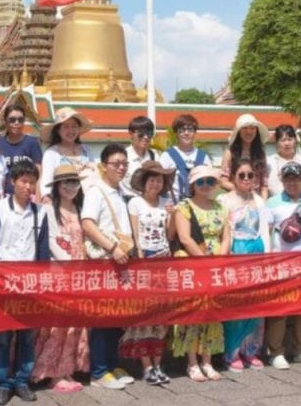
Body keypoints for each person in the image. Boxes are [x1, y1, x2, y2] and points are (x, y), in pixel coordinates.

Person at [0, 161, 50, 405]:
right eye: (23, 181)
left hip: (29, 282)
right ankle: (2, 383)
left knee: (26, 336)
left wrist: (43, 281)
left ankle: (23, 379)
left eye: (32, 182)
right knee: (2, 337)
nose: (28, 186)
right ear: (13, 182)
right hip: (3, 281)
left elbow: (42, 250)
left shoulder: (40, 212)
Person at [80, 143, 136, 390]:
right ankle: (99, 371)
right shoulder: (96, 191)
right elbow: (88, 224)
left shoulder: (121, 191)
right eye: (116, 164)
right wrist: (112, 248)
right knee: (103, 318)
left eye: (124, 163)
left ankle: (113, 364)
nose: (121, 168)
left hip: (122, 261)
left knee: (117, 317)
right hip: (105, 262)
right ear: (104, 166)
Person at [31, 164, 90, 393]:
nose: (70, 187)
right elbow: (52, 241)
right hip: (60, 273)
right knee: (57, 324)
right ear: (56, 186)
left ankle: (68, 369)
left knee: (75, 325)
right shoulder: (48, 209)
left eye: (74, 182)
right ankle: (51, 373)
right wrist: (70, 265)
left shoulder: (80, 207)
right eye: (65, 182)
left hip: (82, 273)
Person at [120, 160, 176, 385]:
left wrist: (172, 215)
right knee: (144, 316)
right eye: (152, 179)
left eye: (159, 179)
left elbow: (170, 236)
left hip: (164, 259)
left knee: (162, 317)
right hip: (144, 261)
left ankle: (159, 363)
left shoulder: (167, 202)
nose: (156, 183)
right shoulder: (135, 203)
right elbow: (135, 234)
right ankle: (147, 366)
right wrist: (140, 259)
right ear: (143, 182)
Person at [172, 164, 229, 382]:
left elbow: (225, 236)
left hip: (215, 264)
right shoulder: (184, 207)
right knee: (192, 313)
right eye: (201, 182)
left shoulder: (221, 207)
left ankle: (207, 360)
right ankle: (192, 362)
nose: (206, 186)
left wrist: (220, 260)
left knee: (212, 314)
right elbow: (185, 238)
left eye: (210, 181)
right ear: (193, 185)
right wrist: (206, 261)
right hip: (192, 263)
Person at [265, 161, 301, 368]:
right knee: (279, 308)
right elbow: (267, 231)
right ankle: (276, 351)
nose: (292, 182)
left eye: (296, 178)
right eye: (288, 178)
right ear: (282, 180)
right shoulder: (271, 203)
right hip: (280, 262)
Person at [217, 158, 271, 372]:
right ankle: (232, 353)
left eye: (251, 175)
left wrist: (267, 257)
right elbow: (224, 232)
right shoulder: (224, 200)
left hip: (257, 254)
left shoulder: (259, 201)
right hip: (236, 254)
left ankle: (251, 351)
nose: (247, 179)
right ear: (233, 178)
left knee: (256, 307)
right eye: (242, 175)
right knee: (236, 306)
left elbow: (265, 231)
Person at [39, 107, 96, 197]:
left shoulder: (86, 149)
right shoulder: (52, 153)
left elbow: (94, 172)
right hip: (63, 200)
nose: (71, 131)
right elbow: (47, 178)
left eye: (74, 126)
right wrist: (47, 196)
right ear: (58, 130)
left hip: (89, 199)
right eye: (66, 127)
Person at [159, 114, 213, 199]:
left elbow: (211, 183)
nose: (186, 133)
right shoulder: (167, 156)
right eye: (182, 130)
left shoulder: (203, 157)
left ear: (195, 132)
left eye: (190, 129)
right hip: (174, 206)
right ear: (176, 133)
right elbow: (160, 182)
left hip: (198, 205)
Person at [0, 103, 43, 195]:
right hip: (4, 195)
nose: (16, 123)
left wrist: (38, 196)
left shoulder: (32, 143)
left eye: (20, 120)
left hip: (27, 194)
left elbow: (39, 172)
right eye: (12, 120)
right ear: (5, 121)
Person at [219, 114, 269, 197]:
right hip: (236, 198)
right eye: (245, 128)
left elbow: (264, 185)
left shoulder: (261, 154)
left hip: (256, 199)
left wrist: (263, 202)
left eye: (252, 128)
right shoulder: (230, 153)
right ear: (239, 132)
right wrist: (243, 190)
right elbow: (223, 182)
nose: (249, 132)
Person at [265, 124, 301, 198]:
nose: (287, 143)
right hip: (281, 201)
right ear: (277, 143)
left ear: (295, 141)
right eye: (283, 140)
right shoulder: (270, 162)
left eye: (290, 139)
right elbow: (273, 186)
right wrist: (294, 195)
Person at [121, 116, 162, 201]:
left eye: (149, 133)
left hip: (149, 203)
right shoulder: (122, 156)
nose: (146, 137)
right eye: (141, 133)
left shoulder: (154, 156)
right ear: (131, 134)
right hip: (128, 202)